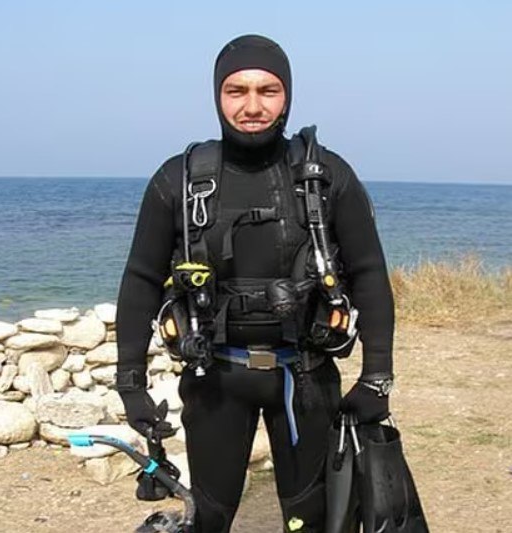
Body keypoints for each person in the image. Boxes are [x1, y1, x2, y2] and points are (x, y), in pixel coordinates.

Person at [116, 34, 394, 533]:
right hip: (216, 379)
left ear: (288, 96)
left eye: (268, 91)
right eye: (236, 91)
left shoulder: (327, 177)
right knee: (209, 518)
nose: (252, 106)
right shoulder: (178, 181)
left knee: (312, 520)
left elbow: (370, 273)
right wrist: (130, 384)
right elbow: (140, 280)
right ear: (216, 96)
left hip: (306, 379)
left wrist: (377, 377)